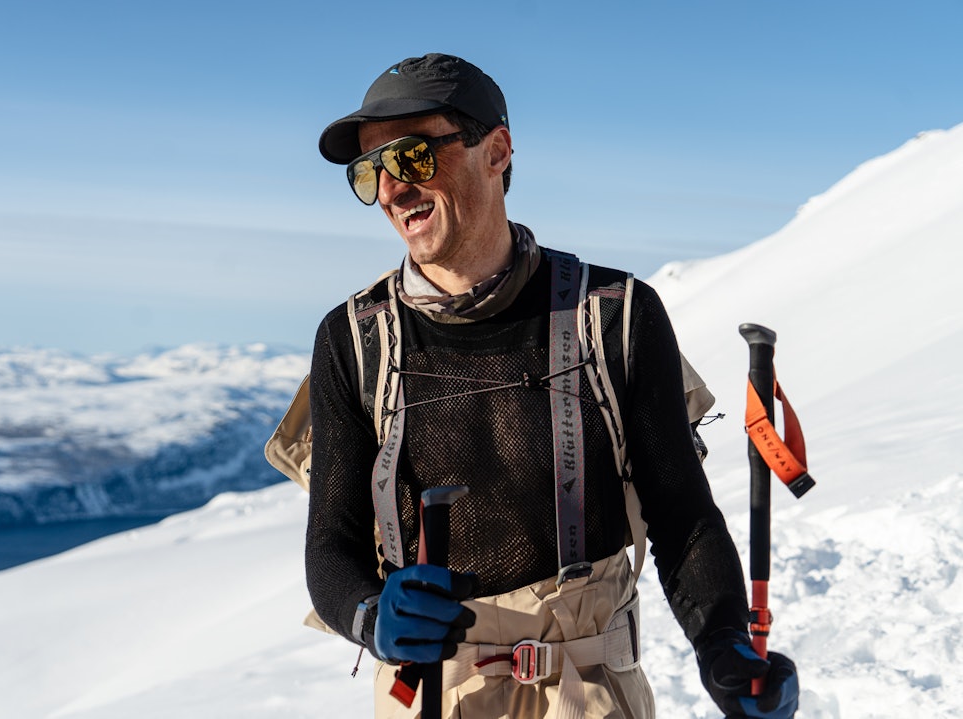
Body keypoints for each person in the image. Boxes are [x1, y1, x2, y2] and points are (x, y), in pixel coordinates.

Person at [305, 53, 799, 719]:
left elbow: (682, 514)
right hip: (431, 695)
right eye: (370, 171)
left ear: (496, 152)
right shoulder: (353, 339)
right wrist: (370, 615)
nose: (391, 188)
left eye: (412, 156)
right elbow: (330, 543)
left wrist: (725, 648)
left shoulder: (614, 314)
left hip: (589, 691)